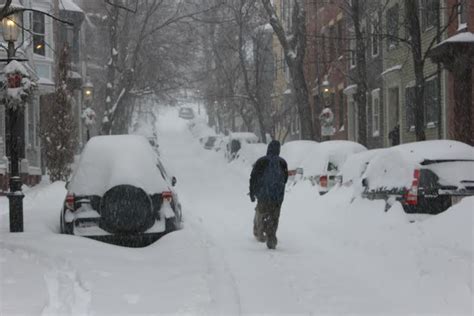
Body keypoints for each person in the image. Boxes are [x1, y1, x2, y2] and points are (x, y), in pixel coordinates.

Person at [249, 140, 288, 249]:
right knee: (274, 217)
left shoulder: (261, 161)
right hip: (277, 198)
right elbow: (285, 179)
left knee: (262, 213)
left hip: (263, 195)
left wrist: (252, 192)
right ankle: (271, 236)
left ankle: (261, 233)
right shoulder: (282, 162)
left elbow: (253, 178)